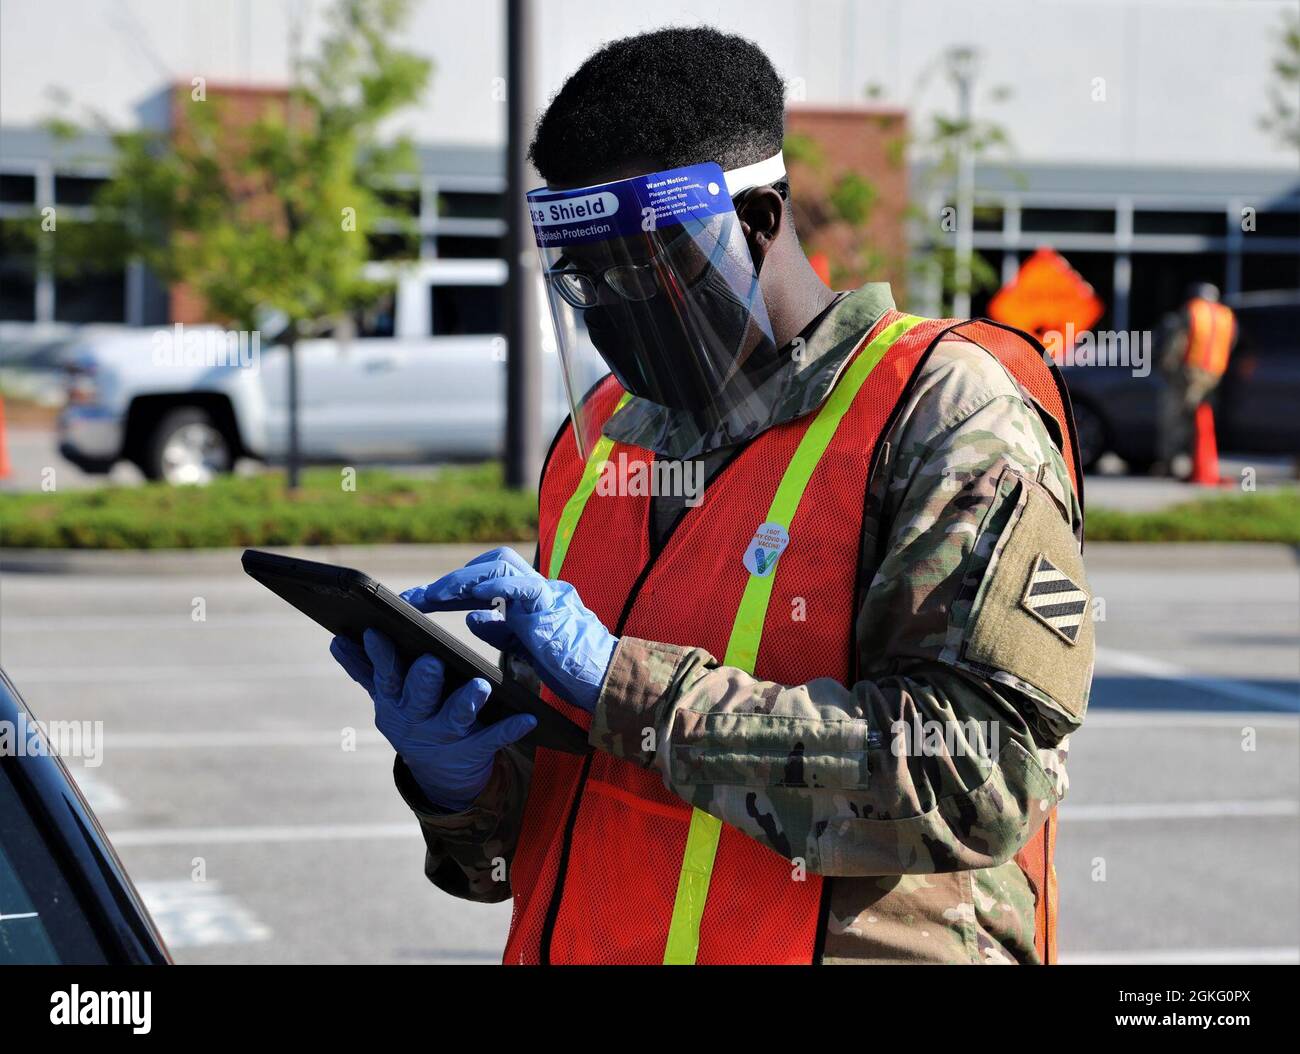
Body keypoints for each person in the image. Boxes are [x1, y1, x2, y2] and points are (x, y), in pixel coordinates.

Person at [330, 27, 1094, 965]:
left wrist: (630, 687)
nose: (616, 303)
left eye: (645, 265)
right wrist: (459, 782)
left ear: (760, 219)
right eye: (588, 277)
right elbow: (551, 819)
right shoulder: (600, 440)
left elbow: (983, 776)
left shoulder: (941, 410)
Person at [1154, 282, 1237, 478]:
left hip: (1189, 373)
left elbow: (1178, 342)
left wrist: (1167, 366)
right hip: (1214, 375)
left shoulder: (1192, 311)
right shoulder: (1225, 315)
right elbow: (1231, 342)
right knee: (1202, 420)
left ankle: (1170, 464)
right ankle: (1199, 465)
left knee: (1176, 418)